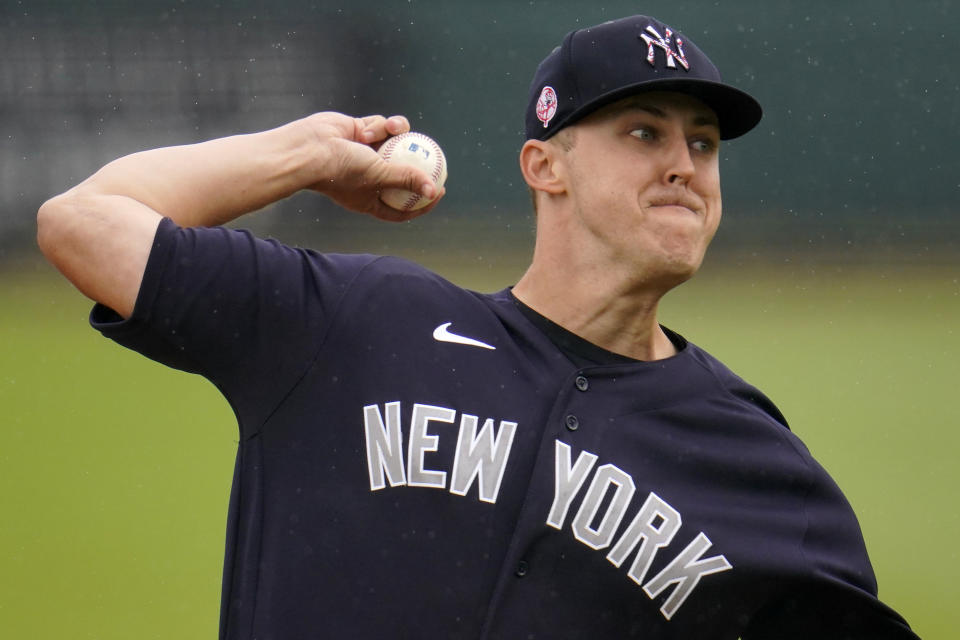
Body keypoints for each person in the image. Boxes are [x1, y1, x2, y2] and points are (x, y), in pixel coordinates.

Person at [38, 14, 918, 640]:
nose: (685, 165)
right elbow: (84, 221)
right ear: (545, 166)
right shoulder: (351, 327)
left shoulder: (757, 468)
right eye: (645, 132)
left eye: (705, 143)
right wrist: (306, 155)